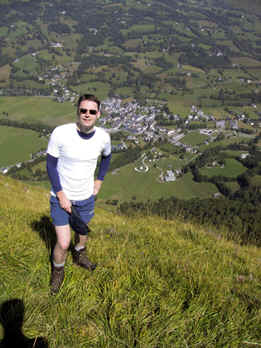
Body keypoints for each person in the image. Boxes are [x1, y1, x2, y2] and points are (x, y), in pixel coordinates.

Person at [46, 94, 111, 294]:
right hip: (61, 198)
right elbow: (51, 164)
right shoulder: (61, 133)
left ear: (98, 114)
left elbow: (107, 158)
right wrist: (60, 194)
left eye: (92, 111)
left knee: (82, 232)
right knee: (64, 242)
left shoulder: (103, 137)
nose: (87, 114)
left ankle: (80, 254)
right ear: (78, 111)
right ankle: (58, 271)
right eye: (83, 110)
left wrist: (99, 181)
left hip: (86, 197)